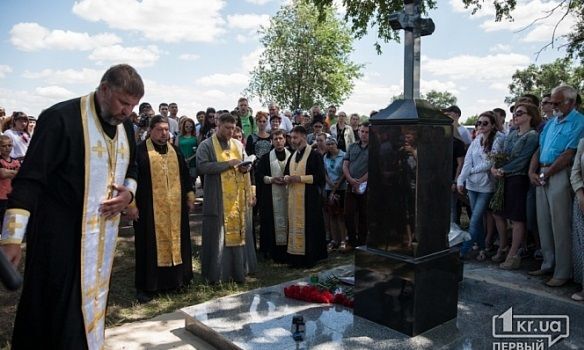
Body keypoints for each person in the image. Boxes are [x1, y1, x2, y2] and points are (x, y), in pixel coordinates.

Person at [0, 64, 142, 349]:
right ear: (104, 89)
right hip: (59, 239)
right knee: (54, 315)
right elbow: (30, 181)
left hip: (101, 240)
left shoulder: (124, 126)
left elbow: (134, 166)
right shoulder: (59, 118)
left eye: (133, 105)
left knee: (93, 306)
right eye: (123, 103)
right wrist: (12, 239)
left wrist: (129, 194)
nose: (128, 111)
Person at [128, 116, 195, 303]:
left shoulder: (175, 151)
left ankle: (177, 281)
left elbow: (185, 175)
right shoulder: (139, 151)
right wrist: (130, 205)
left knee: (178, 242)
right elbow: (130, 178)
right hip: (148, 210)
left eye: (166, 129)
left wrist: (189, 195)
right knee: (147, 246)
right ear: (150, 130)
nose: (164, 133)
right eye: (159, 129)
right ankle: (147, 287)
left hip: (175, 209)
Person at [528, 84, 584, 287]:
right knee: (543, 222)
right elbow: (539, 148)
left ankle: (563, 271)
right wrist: (532, 172)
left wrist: (546, 173)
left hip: (559, 173)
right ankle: (548, 263)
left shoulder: (579, 122)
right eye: (551, 101)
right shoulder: (551, 123)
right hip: (543, 172)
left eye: (557, 102)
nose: (552, 105)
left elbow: (569, 154)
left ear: (571, 102)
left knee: (560, 224)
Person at [196, 113, 253, 283]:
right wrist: (226, 164)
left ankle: (238, 270)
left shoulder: (237, 144)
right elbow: (202, 166)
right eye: (227, 128)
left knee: (238, 233)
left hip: (236, 198)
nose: (230, 131)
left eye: (233, 128)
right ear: (218, 126)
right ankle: (217, 273)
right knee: (218, 235)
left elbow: (243, 163)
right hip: (217, 197)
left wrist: (245, 168)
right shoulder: (206, 145)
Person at [491, 103, 540, 269]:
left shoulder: (532, 136)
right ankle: (504, 247)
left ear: (530, 116)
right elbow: (503, 154)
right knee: (498, 213)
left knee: (517, 218)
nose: (515, 116)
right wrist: (496, 167)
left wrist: (502, 169)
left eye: (520, 113)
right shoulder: (512, 134)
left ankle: (512, 255)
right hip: (504, 178)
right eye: (515, 113)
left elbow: (522, 161)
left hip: (518, 179)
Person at [457, 111, 504, 261]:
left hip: (486, 186)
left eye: (485, 123)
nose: (480, 126)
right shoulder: (476, 140)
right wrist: (460, 180)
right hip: (472, 186)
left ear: (492, 125)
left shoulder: (498, 139)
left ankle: (462, 252)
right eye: (478, 123)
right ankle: (483, 249)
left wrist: (471, 171)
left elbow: (490, 162)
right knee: (477, 222)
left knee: (475, 220)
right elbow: (467, 161)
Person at [284, 125, 327, 267]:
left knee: (310, 226)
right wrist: (285, 178)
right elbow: (286, 173)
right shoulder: (292, 155)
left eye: (295, 137)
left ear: (303, 137)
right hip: (294, 197)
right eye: (291, 137)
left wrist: (300, 179)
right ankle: (295, 257)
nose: (292, 140)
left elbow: (320, 177)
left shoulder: (315, 155)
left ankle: (310, 258)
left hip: (309, 198)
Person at [257, 129, 291, 262]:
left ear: (285, 139)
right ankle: (272, 251)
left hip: (289, 195)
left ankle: (290, 249)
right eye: (275, 139)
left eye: (281, 138)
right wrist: (271, 179)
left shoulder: (292, 156)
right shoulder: (266, 158)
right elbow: (258, 175)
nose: (278, 141)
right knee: (271, 222)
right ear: (271, 141)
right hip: (271, 196)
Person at [342, 122, 370, 252]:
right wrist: (350, 180)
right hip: (350, 185)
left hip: (366, 186)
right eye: (362, 131)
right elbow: (345, 165)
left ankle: (362, 242)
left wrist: (361, 181)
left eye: (367, 132)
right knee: (348, 214)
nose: (364, 134)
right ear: (358, 132)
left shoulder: (374, 148)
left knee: (364, 215)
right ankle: (352, 242)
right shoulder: (352, 146)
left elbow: (373, 168)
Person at [323, 137, 346, 251]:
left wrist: (338, 184)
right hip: (329, 188)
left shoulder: (344, 155)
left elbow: (345, 171)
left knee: (341, 214)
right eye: (328, 144)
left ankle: (343, 240)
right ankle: (334, 240)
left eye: (332, 143)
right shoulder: (325, 157)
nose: (330, 146)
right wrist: (330, 184)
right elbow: (325, 173)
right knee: (332, 214)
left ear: (336, 144)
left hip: (341, 187)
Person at [570, 138, 584, 301]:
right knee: (582, 244)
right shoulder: (582, 142)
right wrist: (580, 193)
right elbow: (575, 172)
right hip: (581, 199)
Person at [0, 135, 20, 225]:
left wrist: (9, 172)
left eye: (9, 145)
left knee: (9, 222)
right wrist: (16, 172)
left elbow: (21, 175)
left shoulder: (16, 161)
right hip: (1, 196)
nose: (7, 148)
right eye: (3, 146)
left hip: (12, 195)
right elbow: (3, 174)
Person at [175, 117, 198, 187]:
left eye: (191, 127)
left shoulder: (196, 138)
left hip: (193, 163)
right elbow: (176, 149)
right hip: (181, 162)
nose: (188, 128)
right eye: (186, 126)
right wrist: (182, 159)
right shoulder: (179, 137)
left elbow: (199, 151)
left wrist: (190, 158)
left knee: (192, 181)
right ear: (183, 127)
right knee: (182, 181)